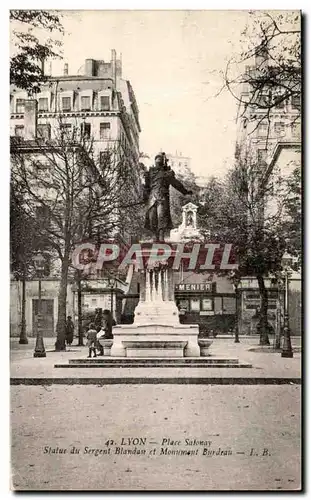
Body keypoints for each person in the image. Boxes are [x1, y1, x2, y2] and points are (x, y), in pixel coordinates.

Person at [143, 152, 192, 241]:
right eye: (157, 159)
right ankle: (155, 236)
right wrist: (145, 197)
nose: (158, 161)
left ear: (163, 162)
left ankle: (161, 237)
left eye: (160, 159)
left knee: (161, 217)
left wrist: (185, 192)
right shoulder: (150, 173)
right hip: (152, 198)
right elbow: (146, 187)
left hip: (162, 197)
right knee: (152, 217)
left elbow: (176, 184)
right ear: (155, 161)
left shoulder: (167, 173)